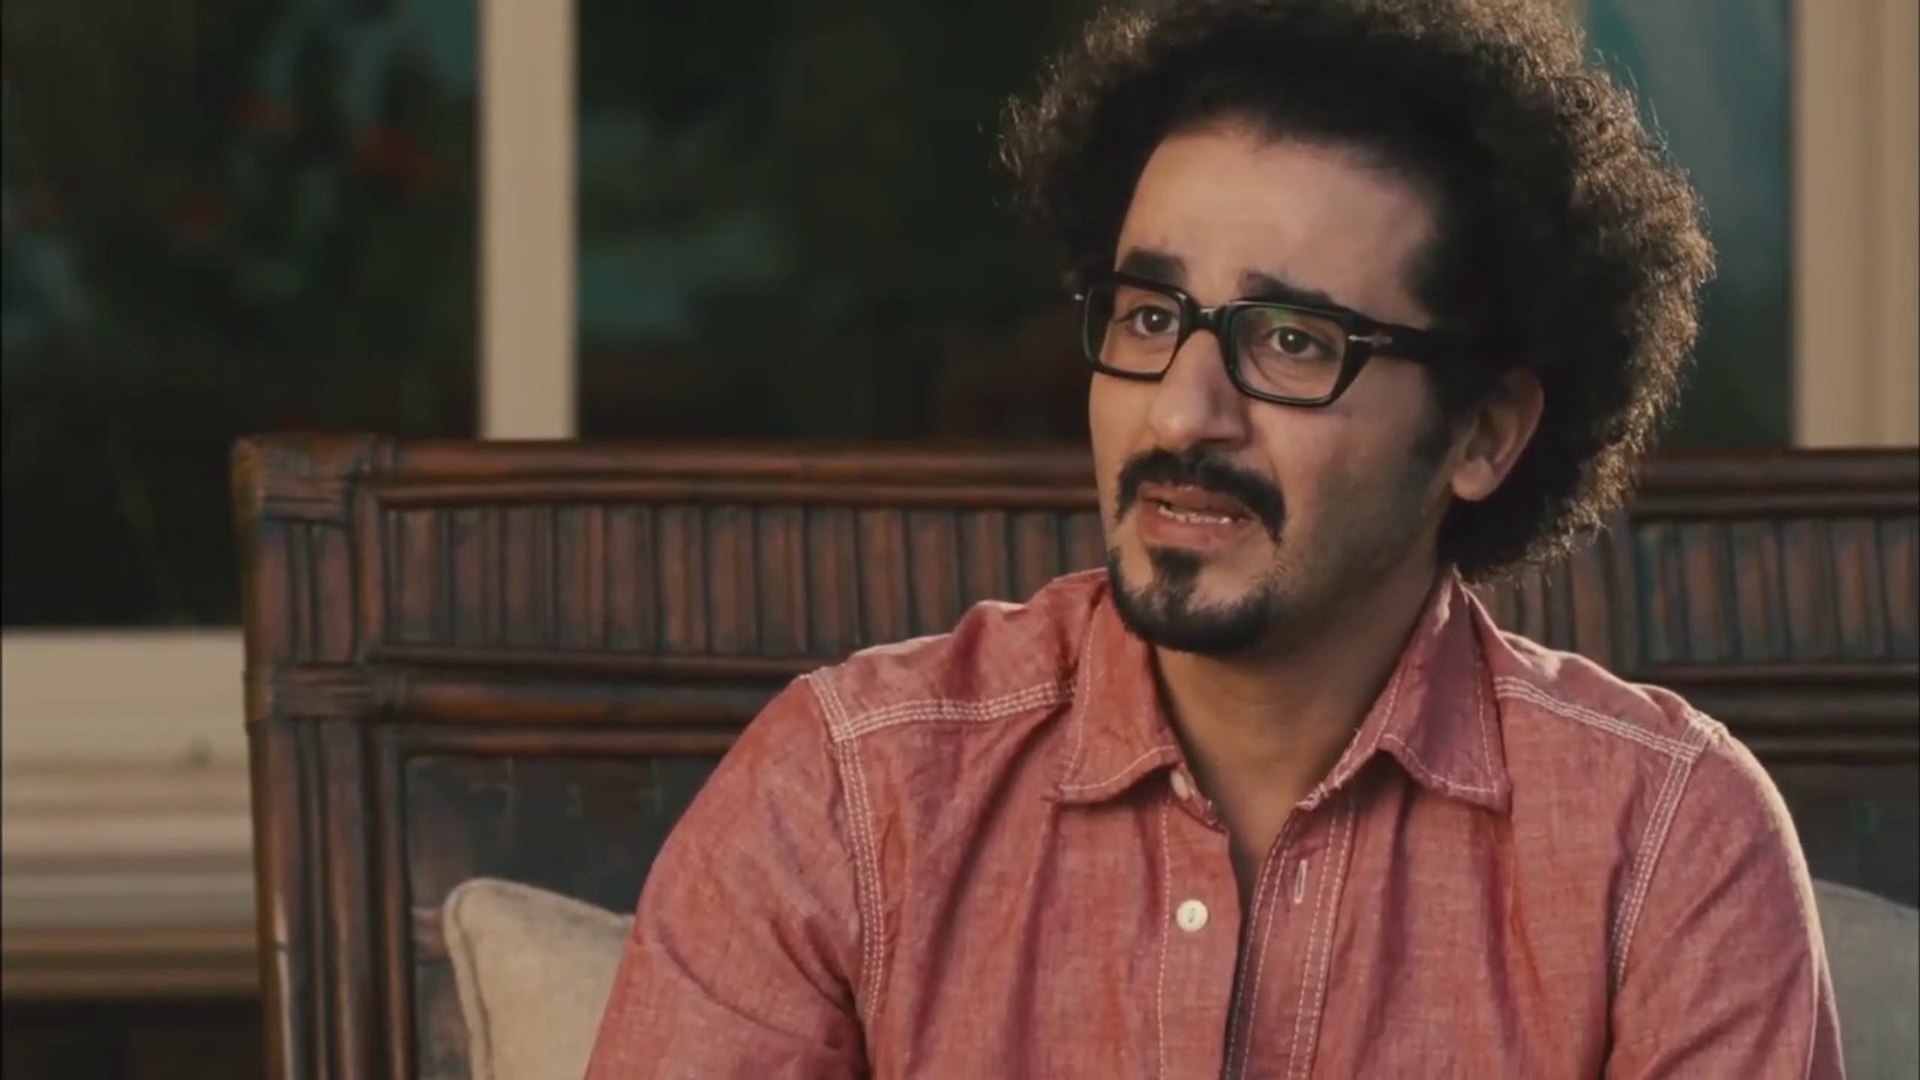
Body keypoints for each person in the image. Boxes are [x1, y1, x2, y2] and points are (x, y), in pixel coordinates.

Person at [587, 0, 1843, 1075]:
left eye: (1291, 342)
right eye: (1148, 317)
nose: (1183, 413)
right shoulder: (846, 795)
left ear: (1483, 434)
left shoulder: (1668, 846)